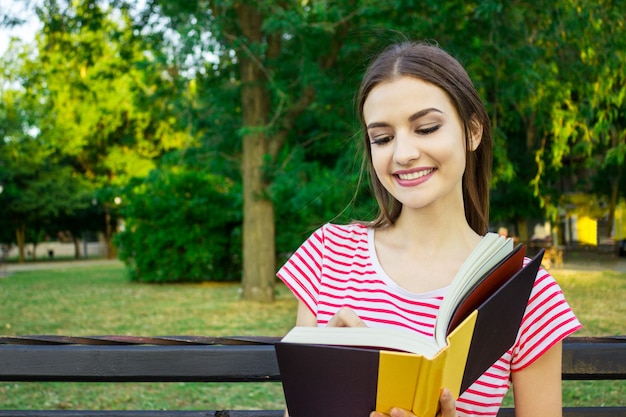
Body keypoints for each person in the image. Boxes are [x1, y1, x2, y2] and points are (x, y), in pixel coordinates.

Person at [277, 41, 581, 417]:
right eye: (382, 138)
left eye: (426, 128)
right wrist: (324, 379)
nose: (403, 153)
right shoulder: (329, 254)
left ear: (472, 131)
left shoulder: (525, 289)